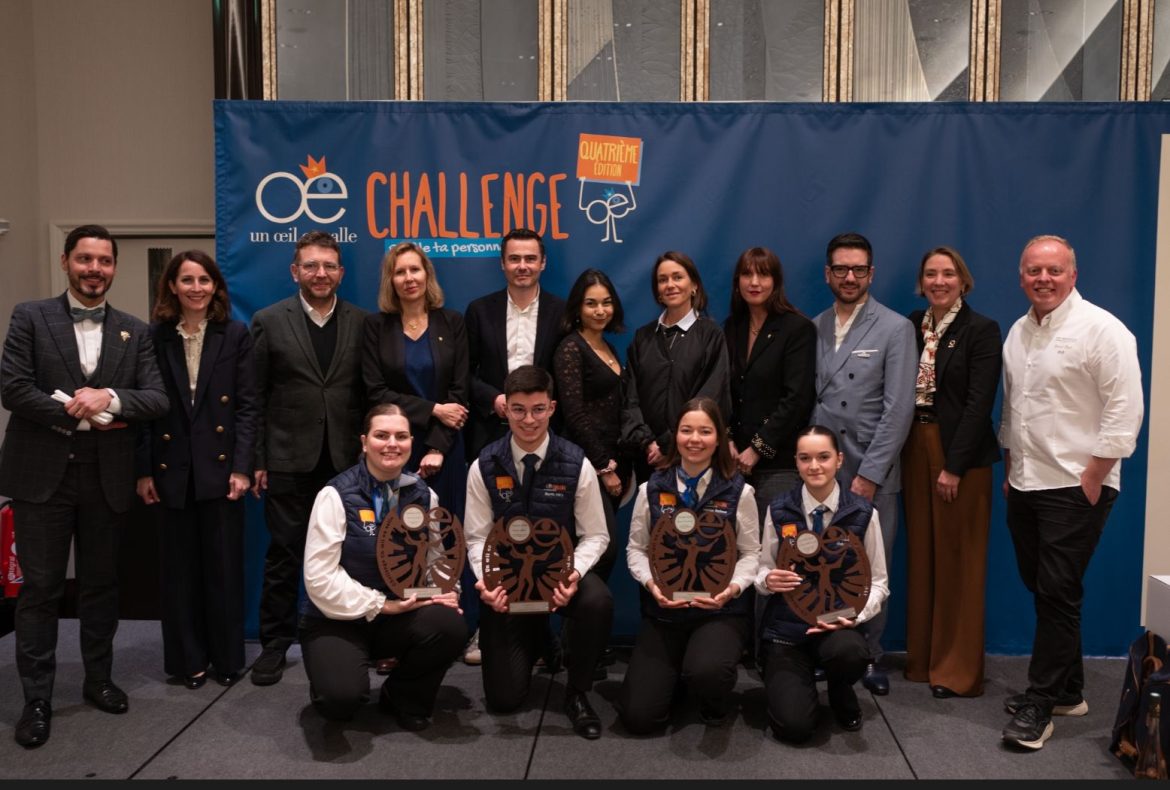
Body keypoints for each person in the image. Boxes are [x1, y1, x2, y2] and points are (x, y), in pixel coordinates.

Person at [0, 225, 169, 748]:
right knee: (41, 590)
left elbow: (155, 398)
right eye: (84, 259)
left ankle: (99, 680)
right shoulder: (30, 316)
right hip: (40, 476)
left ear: (114, 267)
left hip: (106, 477)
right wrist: (77, 410)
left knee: (100, 586)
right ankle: (37, 698)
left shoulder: (135, 330)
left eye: (103, 261)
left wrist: (111, 399)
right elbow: (12, 387)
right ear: (65, 261)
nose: (94, 269)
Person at [999, 235, 1143, 750]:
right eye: (1034, 270)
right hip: (1026, 482)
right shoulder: (1018, 332)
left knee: (1058, 592)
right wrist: (1011, 464)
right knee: (1045, 589)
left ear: (1073, 274)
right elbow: (1015, 406)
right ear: (1021, 277)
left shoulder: (1103, 330)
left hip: (1075, 484)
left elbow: (1125, 408)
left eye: (1054, 271)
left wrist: (1095, 472)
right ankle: (1069, 690)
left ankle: (1040, 705)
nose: (1043, 279)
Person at [463, 365, 613, 739]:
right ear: (506, 409)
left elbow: (596, 535)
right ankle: (541, 637)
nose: (528, 420)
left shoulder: (577, 463)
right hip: (508, 586)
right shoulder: (483, 464)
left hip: (559, 577)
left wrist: (572, 574)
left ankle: (577, 692)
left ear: (552, 408)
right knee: (504, 701)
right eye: (518, 409)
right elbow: (476, 538)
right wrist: (488, 582)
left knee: (597, 600)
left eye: (538, 409)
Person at [300, 403, 467, 729]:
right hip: (337, 619)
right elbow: (320, 579)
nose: (392, 443)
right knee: (340, 700)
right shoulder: (335, 495)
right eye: (382, 435)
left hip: (397, 614)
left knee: (450, 624)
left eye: (401, 436)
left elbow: (435, 559)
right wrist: (383, 605)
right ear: (364, 442)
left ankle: (403, 696)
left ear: (411, 442)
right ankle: (329, 675)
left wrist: (448, 591)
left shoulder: (423, 495)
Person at [249, 230, 368, 686]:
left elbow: (366, 392)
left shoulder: (362, 321)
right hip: (286, 458)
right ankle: (274, 646)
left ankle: (351, 639)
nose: (321, 274)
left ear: (340, 272)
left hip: (345, 462)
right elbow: (254, 395)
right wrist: (256, 457)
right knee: (284, 554)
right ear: (295, 271)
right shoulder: (269, 320)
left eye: (329, 266)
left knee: (352, 556)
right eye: (311, 266)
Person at [135, 251, 259, 689]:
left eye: (204, 280)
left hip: (221, 470)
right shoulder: (154, 337)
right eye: (186, 280)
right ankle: (188, 660)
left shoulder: (235, 334)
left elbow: (247, 408)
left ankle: (226, 658)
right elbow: (146, 412)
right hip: (171, 471)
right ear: (172, 285)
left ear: (215, 287)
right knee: (178, 573)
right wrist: (145, 471)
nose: (195, 288)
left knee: (223, 570)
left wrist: (242, 467)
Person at [811, 231, 915, 696]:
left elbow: (898, 410)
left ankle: (871, 655)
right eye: (840, 269)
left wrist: (871, 473)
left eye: (858, 269)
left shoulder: (895, 328)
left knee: (872, 565)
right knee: (824, 562)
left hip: (870, 469)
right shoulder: (812, 326)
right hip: (821, 470)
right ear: (827, 274)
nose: (849, 277)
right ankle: (827, 648)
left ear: (871, 273)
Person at [617, 397, 760, 734]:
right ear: (675, 435)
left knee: (708, 672)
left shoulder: (741, 492)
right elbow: (636, 549)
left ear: (720, 437)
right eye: (686, 430)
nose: (695, 439)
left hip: (720, 611)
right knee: (639, 719)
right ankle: (676, 676)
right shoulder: (651, 488)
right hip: (665, 612)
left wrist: (730, 591)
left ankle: (713, 698)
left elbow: (752, 554)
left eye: (705, 431)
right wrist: (652, 585)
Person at [901, 247, 1001, 699]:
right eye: (930, 274)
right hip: (914, 446)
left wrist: (953, 466)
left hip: (959, 454)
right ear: (921, 282)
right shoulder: (912, 324)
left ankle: (957, 672)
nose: (938, 281)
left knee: (959, 562)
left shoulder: (981, 330)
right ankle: (922, 661)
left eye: (948, 273)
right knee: (922, 555)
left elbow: (980, 404)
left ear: (963, 279)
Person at [463, 228, 566, 665]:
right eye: (513, 259)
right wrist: (495, 400)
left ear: (543, 263)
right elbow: (464, 375)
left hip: (547, 440)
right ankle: (487, 631)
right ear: (502, 264)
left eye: (530, 258)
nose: (522, 266)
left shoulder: (563, 312)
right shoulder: (479, 310)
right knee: (497, 536)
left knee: (543, 537)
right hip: (493, 437)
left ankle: (543, 634)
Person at [756, 426, 889, 742]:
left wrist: (855, 616)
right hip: (786, 632)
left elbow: (880, 582)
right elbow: (761, 572)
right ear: (797, 462)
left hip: (836, 627)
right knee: (794, 728)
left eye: (823, 457)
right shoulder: (778, 509)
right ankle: (797, 689)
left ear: (839, 460)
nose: (814, 466)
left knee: (850, 652)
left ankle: (840, 685)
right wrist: (768, 580)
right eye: (805, 458)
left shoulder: (863, 512)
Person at [362, 241, 469, 521]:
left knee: (446, 530)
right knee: (396, 531)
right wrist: (434, 409)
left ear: (427, 274)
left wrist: (437, 448)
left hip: (445, 444)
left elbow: (459, 391)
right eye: (400, 272)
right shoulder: (376, 327)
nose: (409, 278)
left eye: (415, 270)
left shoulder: (452, 322)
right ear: (391, 280)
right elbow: (376, 392)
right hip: (392, 446)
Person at [621, 251, 731, 485]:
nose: (670, 285)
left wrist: (669, 445)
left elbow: (711, 395)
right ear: (657, 291)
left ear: (694, 286)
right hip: (648, 459)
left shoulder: (711, 335)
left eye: (677, 277)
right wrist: (648, 443)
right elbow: (630, 398)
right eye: (663, 280)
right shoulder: (643, 337)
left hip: (693, 456)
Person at [723, 246, 816, 516]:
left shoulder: (797, 329)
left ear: (775, 282)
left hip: (779, 462)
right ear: (737, 281)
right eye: (747, 274)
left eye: (763, 275)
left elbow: (797, 399)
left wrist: (757, 448)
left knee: (777, 548)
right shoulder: (732, 327)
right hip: (734, 463)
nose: (754, 283)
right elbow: (724, 391)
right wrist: (727, 439)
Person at [552, 268, 630, 580]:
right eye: (591, 304)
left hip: (615, 459)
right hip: (588, 466)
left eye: (606, 303)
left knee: (602, 552)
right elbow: (574, 414)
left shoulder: (607, 346)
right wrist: (604, 467)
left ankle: (583, 626)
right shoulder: (571, 348)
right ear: (578, 309)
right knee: (598, 550)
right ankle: (580, 624)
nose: (600, 311)